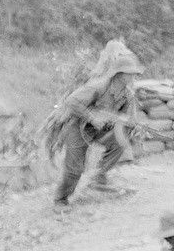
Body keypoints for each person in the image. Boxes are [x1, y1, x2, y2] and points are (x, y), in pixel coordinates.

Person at [53, 40, 143, 206]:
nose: (133, 77)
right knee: (74, 169)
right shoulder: (98, 86)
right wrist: (91, 117)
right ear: (120, 74)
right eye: (130, 73)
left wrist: (129, 124)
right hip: (78, 127)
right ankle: (61, 199)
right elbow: (71, 102)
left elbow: (129, 118)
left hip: (99, 130)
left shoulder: (128, 95)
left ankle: (98, 177)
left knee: (120, 141)